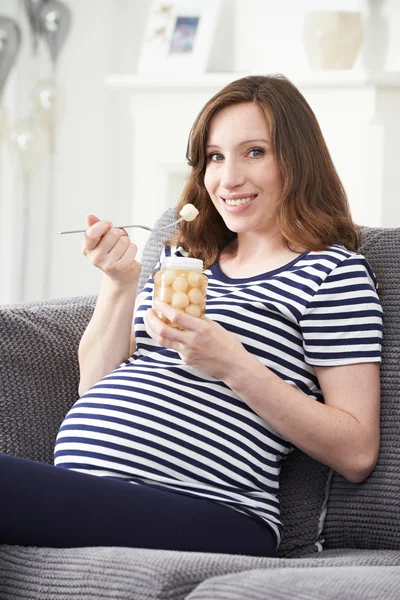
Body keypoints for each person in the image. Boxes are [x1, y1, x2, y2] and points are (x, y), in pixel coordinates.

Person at [0, 75, 382, 558]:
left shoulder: (332, 273)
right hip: (98, 489)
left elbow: (357, 451)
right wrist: (119, 284)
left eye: (254, 152)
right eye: (215, 157)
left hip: (218, 512)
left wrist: (233, 364)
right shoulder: (187, 259)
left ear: (297, 159)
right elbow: (94, 385)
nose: (228, 179)